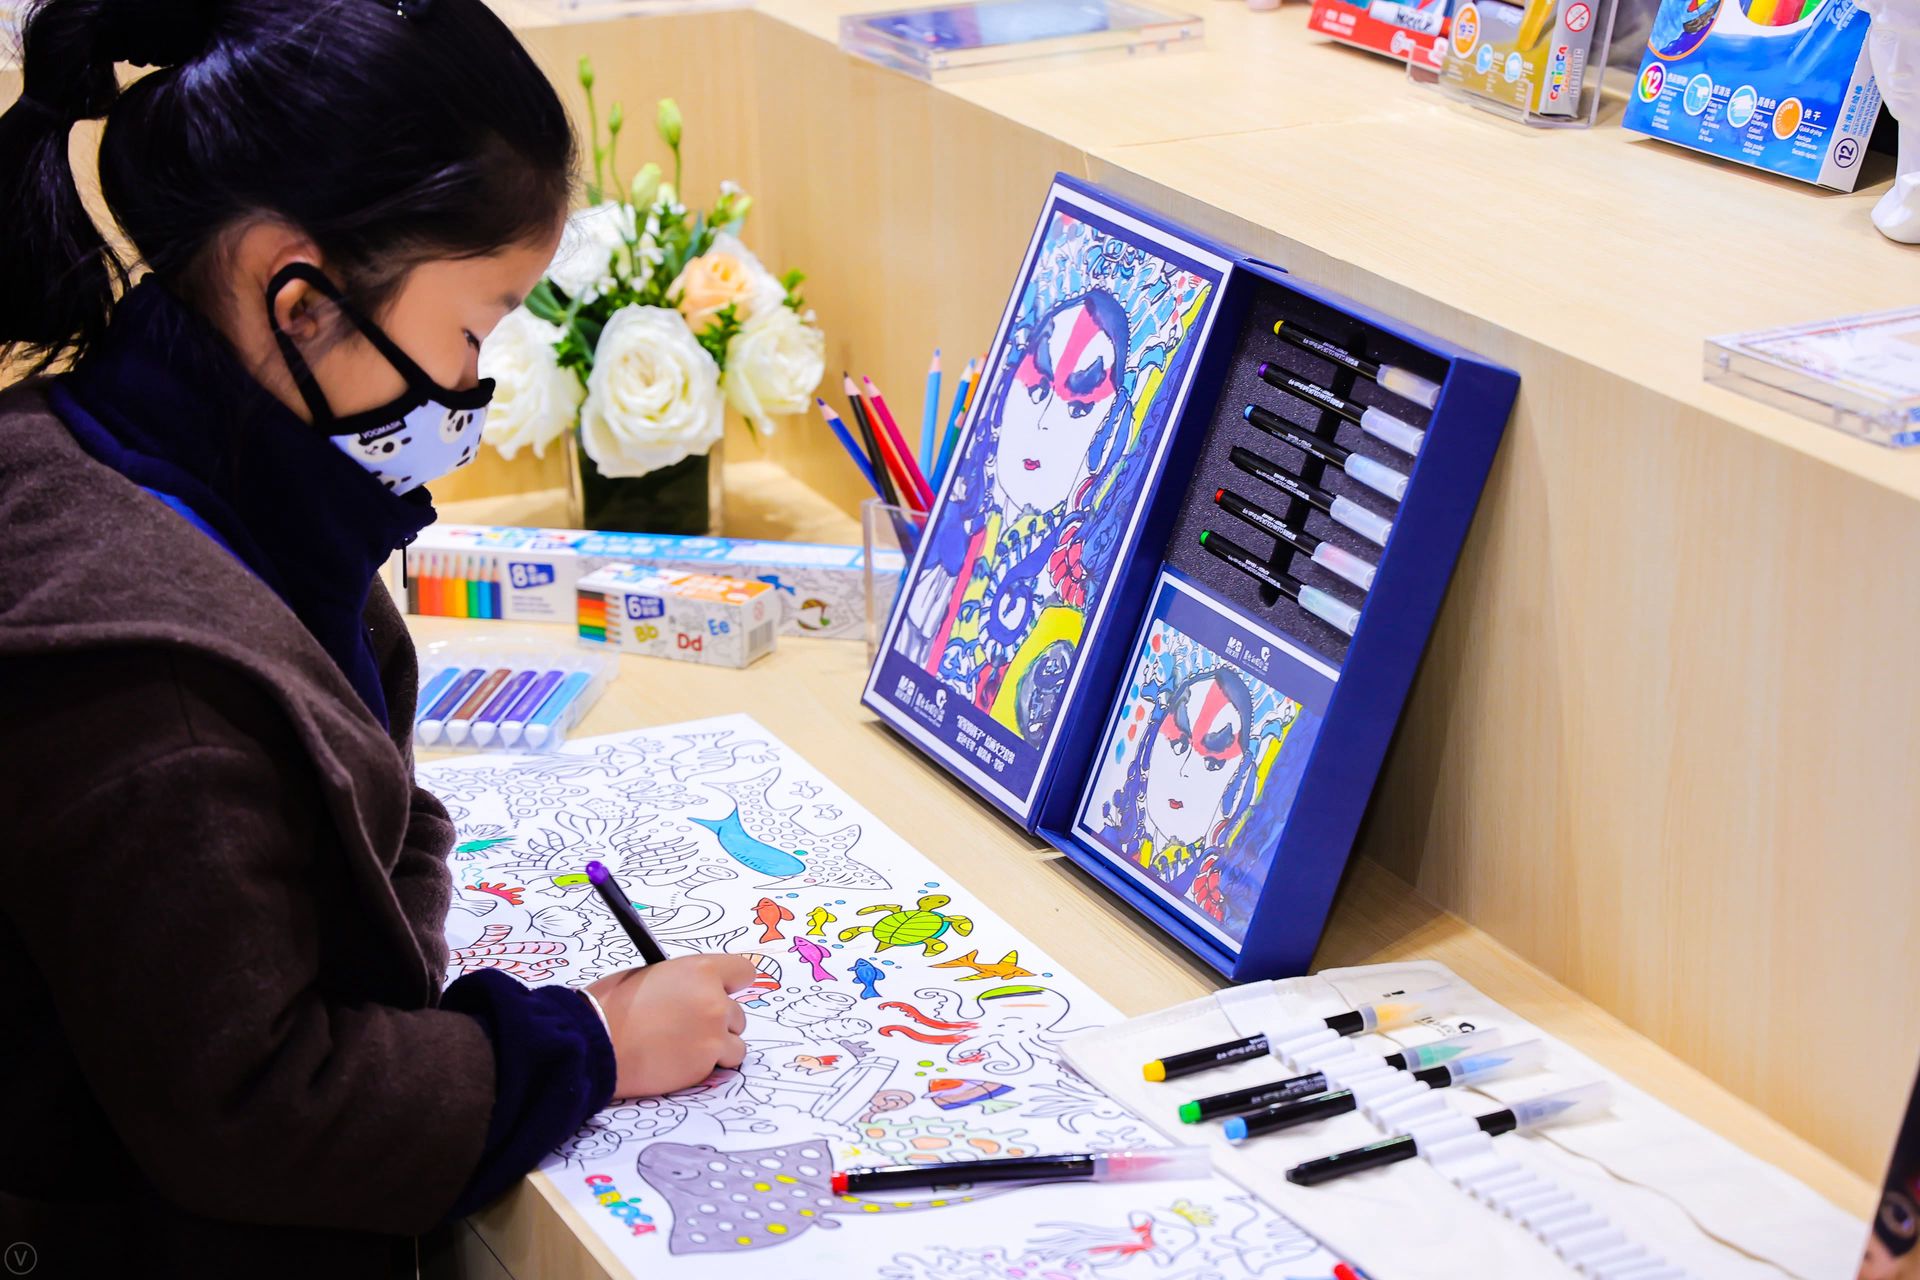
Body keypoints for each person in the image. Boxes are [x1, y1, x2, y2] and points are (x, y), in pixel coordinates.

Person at [0, 0, 755, 1272]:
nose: (471, 390)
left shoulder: (196, 471)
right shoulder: (152, 686)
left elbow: (375, 806)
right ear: (299, 299)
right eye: (473, 331)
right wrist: (589, 1045)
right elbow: (259, 1109)